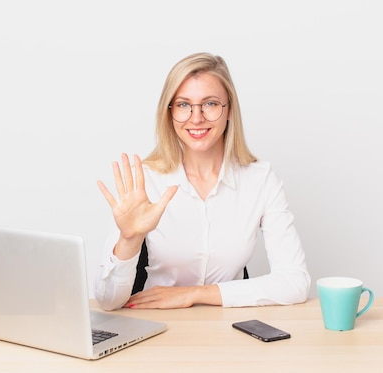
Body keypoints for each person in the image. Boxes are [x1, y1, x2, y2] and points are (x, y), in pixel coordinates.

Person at [94, 52, 310, 310]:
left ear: (229, 109)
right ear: (169, 113)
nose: (196, 118)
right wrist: (129, 241)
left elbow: (295, 283)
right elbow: (107, 302)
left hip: (229, 331)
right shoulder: (145, 181)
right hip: (154, 329)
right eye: (184, 105)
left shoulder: (260, 179)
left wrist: (196, 294)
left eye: (210, 104)